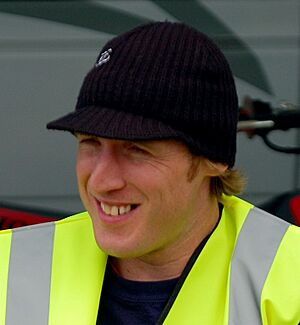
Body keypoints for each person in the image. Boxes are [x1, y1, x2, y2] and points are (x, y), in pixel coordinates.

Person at [1, 21, 299, 325]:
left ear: (213, 159)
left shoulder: (291, 280)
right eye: (90, 142)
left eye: (137, 150)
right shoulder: (8, 266)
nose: (102, 182)